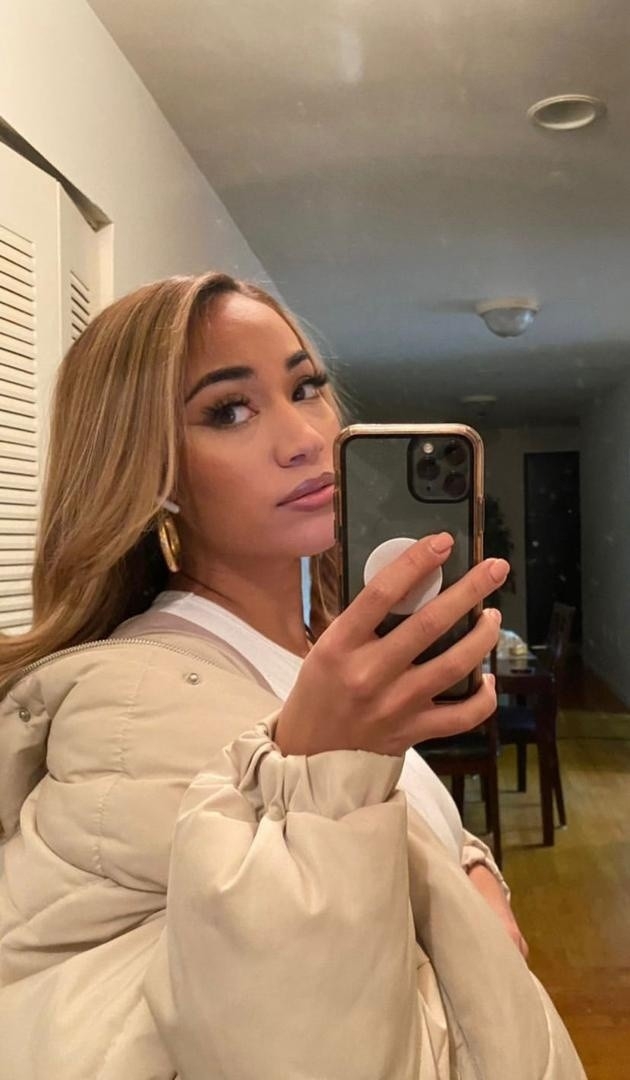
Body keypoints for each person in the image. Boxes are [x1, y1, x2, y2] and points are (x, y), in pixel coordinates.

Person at [0, 272, 585, 1079]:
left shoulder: (317, 651)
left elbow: (399, 830)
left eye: (305, 387)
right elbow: (289, 1037)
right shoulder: (135, 708)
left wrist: (470, 867)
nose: (306, 436)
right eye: (229, 410)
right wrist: (320, 770)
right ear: (150, 472)